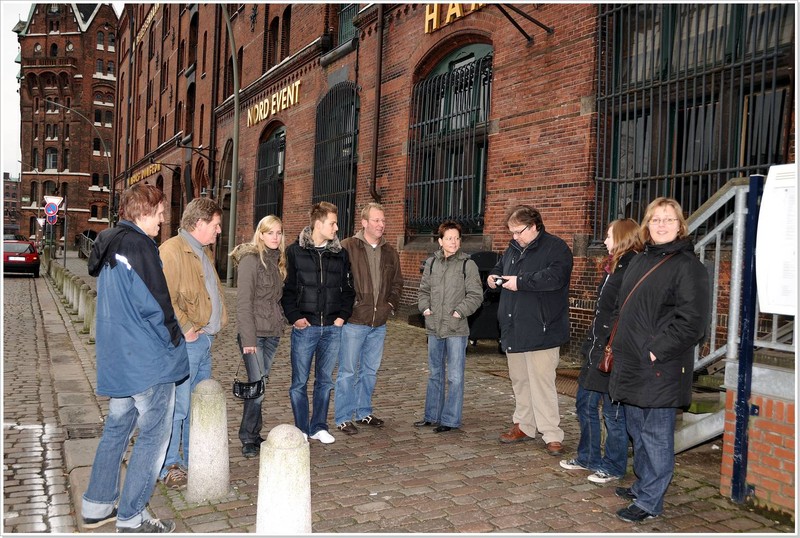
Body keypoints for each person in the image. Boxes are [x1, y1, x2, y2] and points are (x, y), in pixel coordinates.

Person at [81, 182, 186, 533]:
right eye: (160, 213)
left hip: (121, 359)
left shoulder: (110, 244)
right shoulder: (140, 247)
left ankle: (97, 505)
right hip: (148, 362)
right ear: (143, 212)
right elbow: (157, 306)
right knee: (154, 437)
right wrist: (176, 342)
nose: (162, 221)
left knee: (117, 429)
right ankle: (132, 516)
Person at [609, 197, 710, 522]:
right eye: (656, 219)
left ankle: (651, 501)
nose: (662, 225)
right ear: (647, 225)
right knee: (637, 431)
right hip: (632, 362)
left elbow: (692, 322)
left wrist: (655, 350)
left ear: (680, 225)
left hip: (659, 367)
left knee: (655, 436)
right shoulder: (640, 260)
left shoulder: (688, 266)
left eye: (669, 219)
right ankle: (644, 485)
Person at [559, 219, 642, 484]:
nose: (604, 241)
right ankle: (588, 457)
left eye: (608, 236)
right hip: (597, 348)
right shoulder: (613, 265)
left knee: (612, 413)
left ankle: (614, 466)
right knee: (584, 403)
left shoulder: (632, 266)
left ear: (623, 236)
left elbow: (623, 313)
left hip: (613, 351)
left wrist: (609, 342)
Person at [488, 205, 573, 456]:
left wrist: (521, 282)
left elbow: (555, 278)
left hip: (542, 329)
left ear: (534, 226)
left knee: (542, 383)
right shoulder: (513, 249)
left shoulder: (556, 248)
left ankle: (552, 433)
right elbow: (500, 267)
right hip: (514, 327)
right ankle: (524, 425)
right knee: (520, 381)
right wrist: (493, 277)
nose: (515, 237)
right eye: (511, 232)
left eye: (518, 231)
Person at [157, 197, 227, 488]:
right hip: (187, 343)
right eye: (216, 224)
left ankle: (191, 458)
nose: (219, 230)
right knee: (178, 406)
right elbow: (163, 297)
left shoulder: (202, 251)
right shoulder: (172, 251)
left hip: (204, 342)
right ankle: (170, 465)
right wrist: (186, 328)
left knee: (197, 405)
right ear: (199, 223)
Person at [282, 202, 355, 444]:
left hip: (333, 328)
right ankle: (301, 428)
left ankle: (319, 427)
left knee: (325, 381)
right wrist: (295, 317)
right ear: (318, 224)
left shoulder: (340, 254)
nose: (336, 228)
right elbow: (287, 289)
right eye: (332, 223)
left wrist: (342, 317)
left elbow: (348, 288)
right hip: (306, 327)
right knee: (299, 383)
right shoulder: (294, 252)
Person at [334, 203, 403, 434]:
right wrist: (349, 307)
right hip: (354, 321)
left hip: (379, 323)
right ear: (364, 222)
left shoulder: (390, 252)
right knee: (347, 372)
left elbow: (397, 283)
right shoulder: (347, 247)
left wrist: (389, 305)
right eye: (376, 220)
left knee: (370, 371)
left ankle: (363, 412)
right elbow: (337, 282)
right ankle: (343, 417)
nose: (381, 224)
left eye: (383, 220)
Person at [414, 220, 483, 432]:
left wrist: (459, 312)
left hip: (456, 329)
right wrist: (425, 309)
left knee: (455, 376)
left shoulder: (467, 264)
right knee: (435, 373)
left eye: (457, 238)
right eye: (449, 238)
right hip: (434, 326)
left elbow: (476, 295)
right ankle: (432, 415)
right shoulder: (431, 263)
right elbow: (423, 291)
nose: (453, 242)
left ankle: (450, 420)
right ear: (440, 241)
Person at [229, 215, 287, 458]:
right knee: (256, 387)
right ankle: (247, 438)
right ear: (260, 234)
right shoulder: (250, 260)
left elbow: (276, 299)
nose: (275, 237)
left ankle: (254, 433)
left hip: (272, 333)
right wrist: (249, 340)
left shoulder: (277, 261)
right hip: (254, 335)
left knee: (260, 385)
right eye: (270, 232)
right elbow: (243, 304)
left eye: (279, 232)